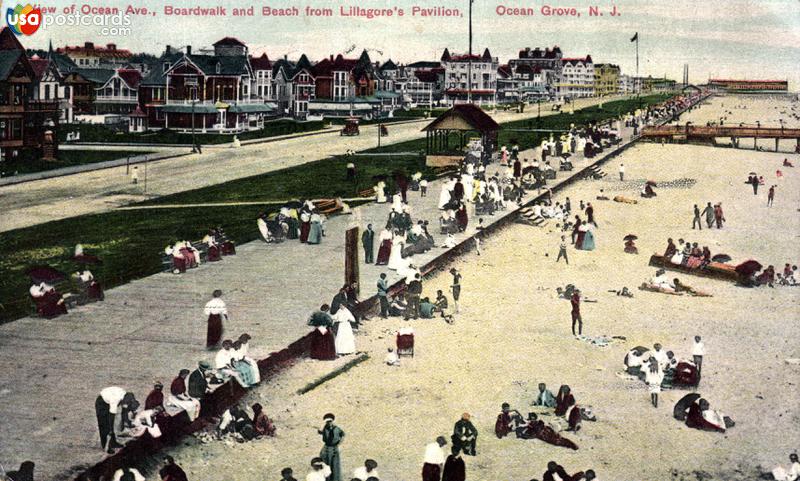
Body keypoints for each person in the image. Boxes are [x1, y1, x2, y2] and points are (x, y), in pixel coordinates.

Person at [95, 387, 136, 453]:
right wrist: (111, 430)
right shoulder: (115, 399)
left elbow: (124, 411)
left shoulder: (126, 395)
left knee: (110, 426)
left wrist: (128, 422)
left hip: (109, 400)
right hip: (101, 403)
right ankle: (105, 447)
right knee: (104, 425)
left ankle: (113, 443)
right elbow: (111, 417)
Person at [318, 414, 345, 481]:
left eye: (330, 421)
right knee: (326, 465)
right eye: (327, 421)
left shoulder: (337, 428)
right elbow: (320, 431)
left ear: (332, 421)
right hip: (326, 448)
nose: (329, 423)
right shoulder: (324, 428)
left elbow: (343, 435)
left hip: (334, 448)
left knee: (335, 466)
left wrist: (339, 443)